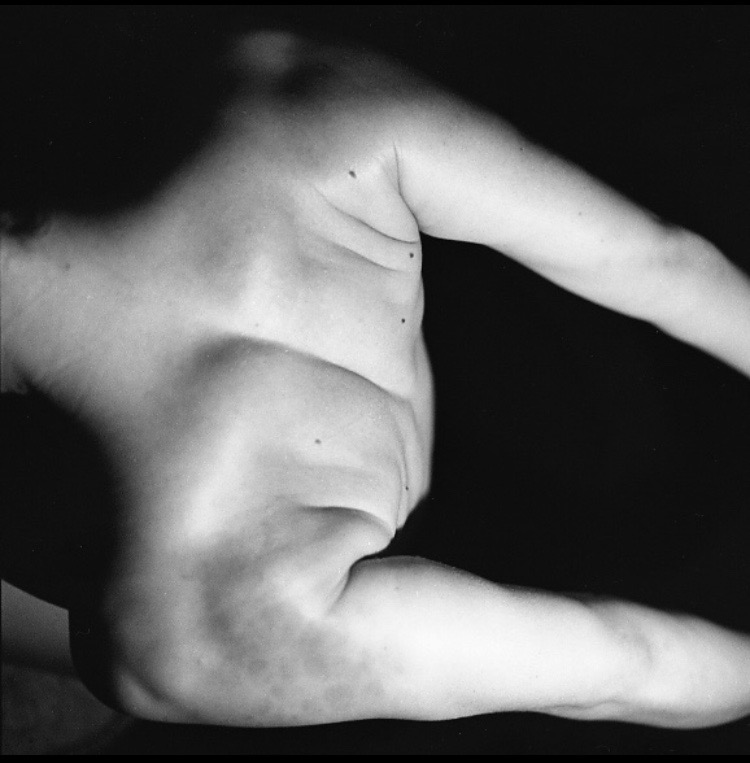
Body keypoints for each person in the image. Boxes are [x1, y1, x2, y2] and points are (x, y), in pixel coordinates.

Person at [2, 23, 749, 731]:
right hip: (413, 351)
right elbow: (666, 261)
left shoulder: (203, 621)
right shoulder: (284, 103)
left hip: (245, 571)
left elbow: (626, 664)